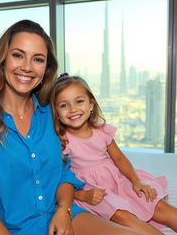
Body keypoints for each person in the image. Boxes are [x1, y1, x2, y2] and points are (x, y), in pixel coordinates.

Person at [0, 20, 142, 235]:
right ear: (2, 59)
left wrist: (64, 209)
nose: (27, 67)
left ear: (46, 69)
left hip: (60, 216)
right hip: (7, 228)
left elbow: (64, 171)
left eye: (37, 59)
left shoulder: (50, 116)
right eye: (18, 55)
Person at [50, 74, 177, 235]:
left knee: (154, 204)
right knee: (122, 216)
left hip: (117, 181)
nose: (73, 109)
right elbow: (57, 179)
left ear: (91, 104)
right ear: (56, 113)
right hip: (93, 191)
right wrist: (81, 195)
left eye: (79, 101)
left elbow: (119, 158)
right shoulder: (61, 141)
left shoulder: (102, 130)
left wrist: (136, 181)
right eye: (63, 105)